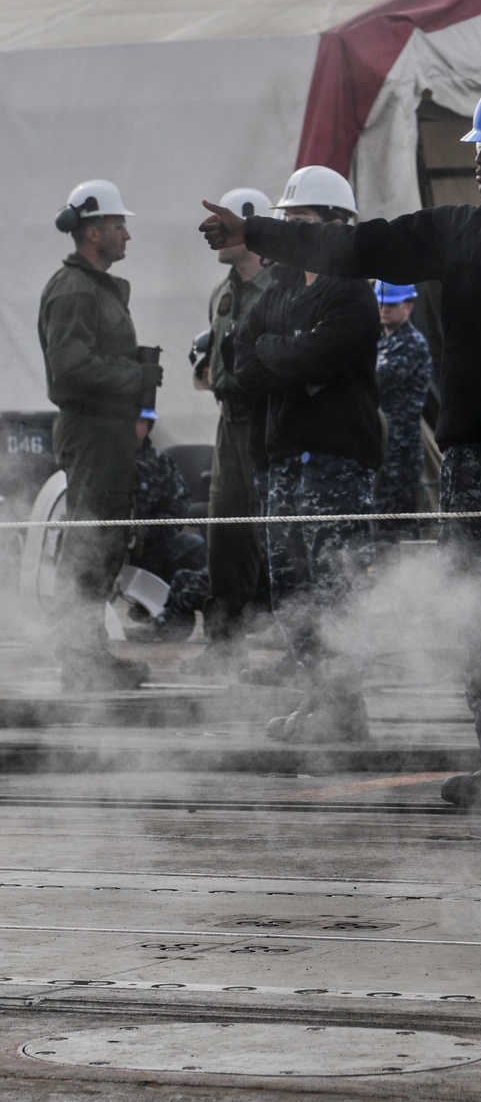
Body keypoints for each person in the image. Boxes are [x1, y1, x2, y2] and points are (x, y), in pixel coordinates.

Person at [200, 77, 481, 813]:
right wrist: (259, 235)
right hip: (474, 462)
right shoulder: (458, 233)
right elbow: (357, 245)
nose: (474, 160)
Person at [233, 166, 382, 741]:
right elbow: (243, 365)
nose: (291, 232)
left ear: (339, 226)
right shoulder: (280, 292)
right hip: (282, 464)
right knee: (292, 590)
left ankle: (344, 708)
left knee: (337, 589)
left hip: (335, 461)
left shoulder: (352, 296)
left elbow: (319, 358)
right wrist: (285, 352)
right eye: (286, 222)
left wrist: (283, 355)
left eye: (304, 222)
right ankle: (320, 699)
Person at [37, 179, 162, 690]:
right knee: (90, 543)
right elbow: (68, 370)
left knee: (105, 541)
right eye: (117, 225)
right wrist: (136, 377)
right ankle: (81, 661)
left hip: (105, 431)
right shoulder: (74, 290)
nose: (127, 235)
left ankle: (87, 656)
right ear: (92, 233)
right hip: (91, 430)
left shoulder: (95, 287)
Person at [182, 187, 275, 676]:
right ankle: (224, 643)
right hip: (230, 421)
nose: (213, 234)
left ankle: (300, 642)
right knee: (226, 530)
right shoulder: (222, 293)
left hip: (269, 419)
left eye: (223, 225)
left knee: (280, 530)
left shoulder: (280, 288)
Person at [129, 410, 209, 641]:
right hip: (116, 548)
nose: (137, 428)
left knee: (196, 548)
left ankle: (179, 615)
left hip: (153, 544)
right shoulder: (109, 461)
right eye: (133, 421)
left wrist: (147, 532)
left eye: (143, 422)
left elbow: (179, 506)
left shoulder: (159, 462)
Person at [373, 280, 432, 546]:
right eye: (381, 303)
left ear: (408, 306)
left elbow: (377, 381)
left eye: (391, 304)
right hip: (383, 448)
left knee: (400, 525)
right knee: (381, 523)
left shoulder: (412, 343)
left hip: (402, 452)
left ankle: (408, 581)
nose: (384, 308)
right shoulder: (380, 343)